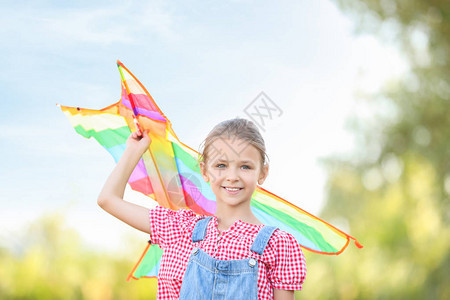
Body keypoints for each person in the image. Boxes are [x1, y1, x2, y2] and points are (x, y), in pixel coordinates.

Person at [98, 118, 306, 299]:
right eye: (221, 165)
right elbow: (108, 199)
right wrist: (134, 150)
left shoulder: (278, 244)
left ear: (262, 173)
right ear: (205, 171)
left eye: (245, 166)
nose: (232, 176)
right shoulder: (178, 228)